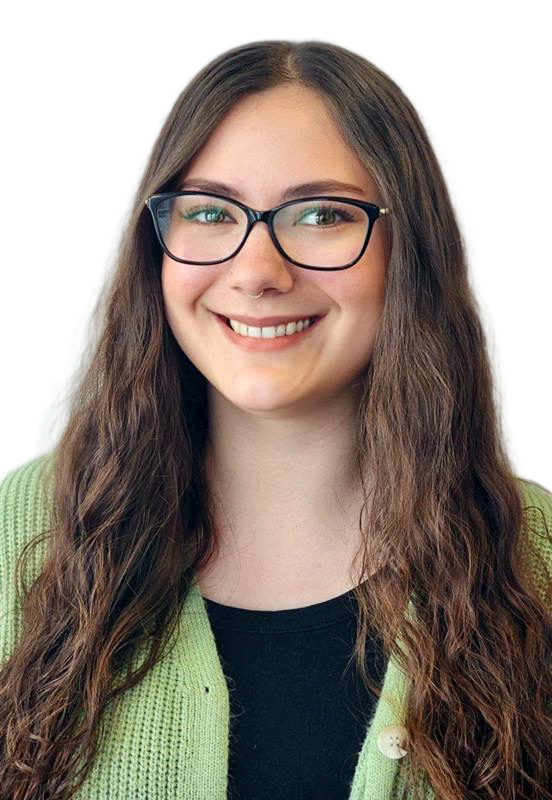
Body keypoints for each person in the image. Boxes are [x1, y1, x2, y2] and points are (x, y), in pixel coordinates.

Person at [0, 39, 551, 800]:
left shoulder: (538, 559)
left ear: (408, 250)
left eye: (322, 214)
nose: (257, 272)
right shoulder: (21, 536)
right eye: (209, 211)